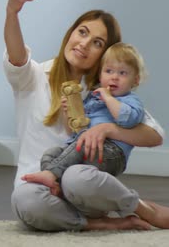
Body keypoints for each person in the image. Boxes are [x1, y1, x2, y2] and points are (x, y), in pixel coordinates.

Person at [4, 0, 169, 231]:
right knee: (24, 200)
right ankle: (102, 224)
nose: (84, 43)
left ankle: (142, 208)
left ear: (105, 54)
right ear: (70, 33)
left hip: (84, 187)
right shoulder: (33, 76)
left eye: (97, 42)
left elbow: (155, 135)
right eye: (82, 32)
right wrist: (12, 12)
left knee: (76, 178)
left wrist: (107, 128)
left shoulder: (105, 91)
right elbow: (16, 55)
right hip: (42, 190)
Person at [21, 42, 147, 197]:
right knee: (51, 154)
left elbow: (128, 119)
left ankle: (51, 174)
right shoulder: (93, 97)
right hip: (84, 148)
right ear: (101, 75)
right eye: (109, 71)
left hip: (110, 153)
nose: (114, 77)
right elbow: (78, 129)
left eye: (122, 73)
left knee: (82, 143)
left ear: (136, 80)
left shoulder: (130, 100)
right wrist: (71, 113)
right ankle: (57, 185)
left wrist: (108, 98)